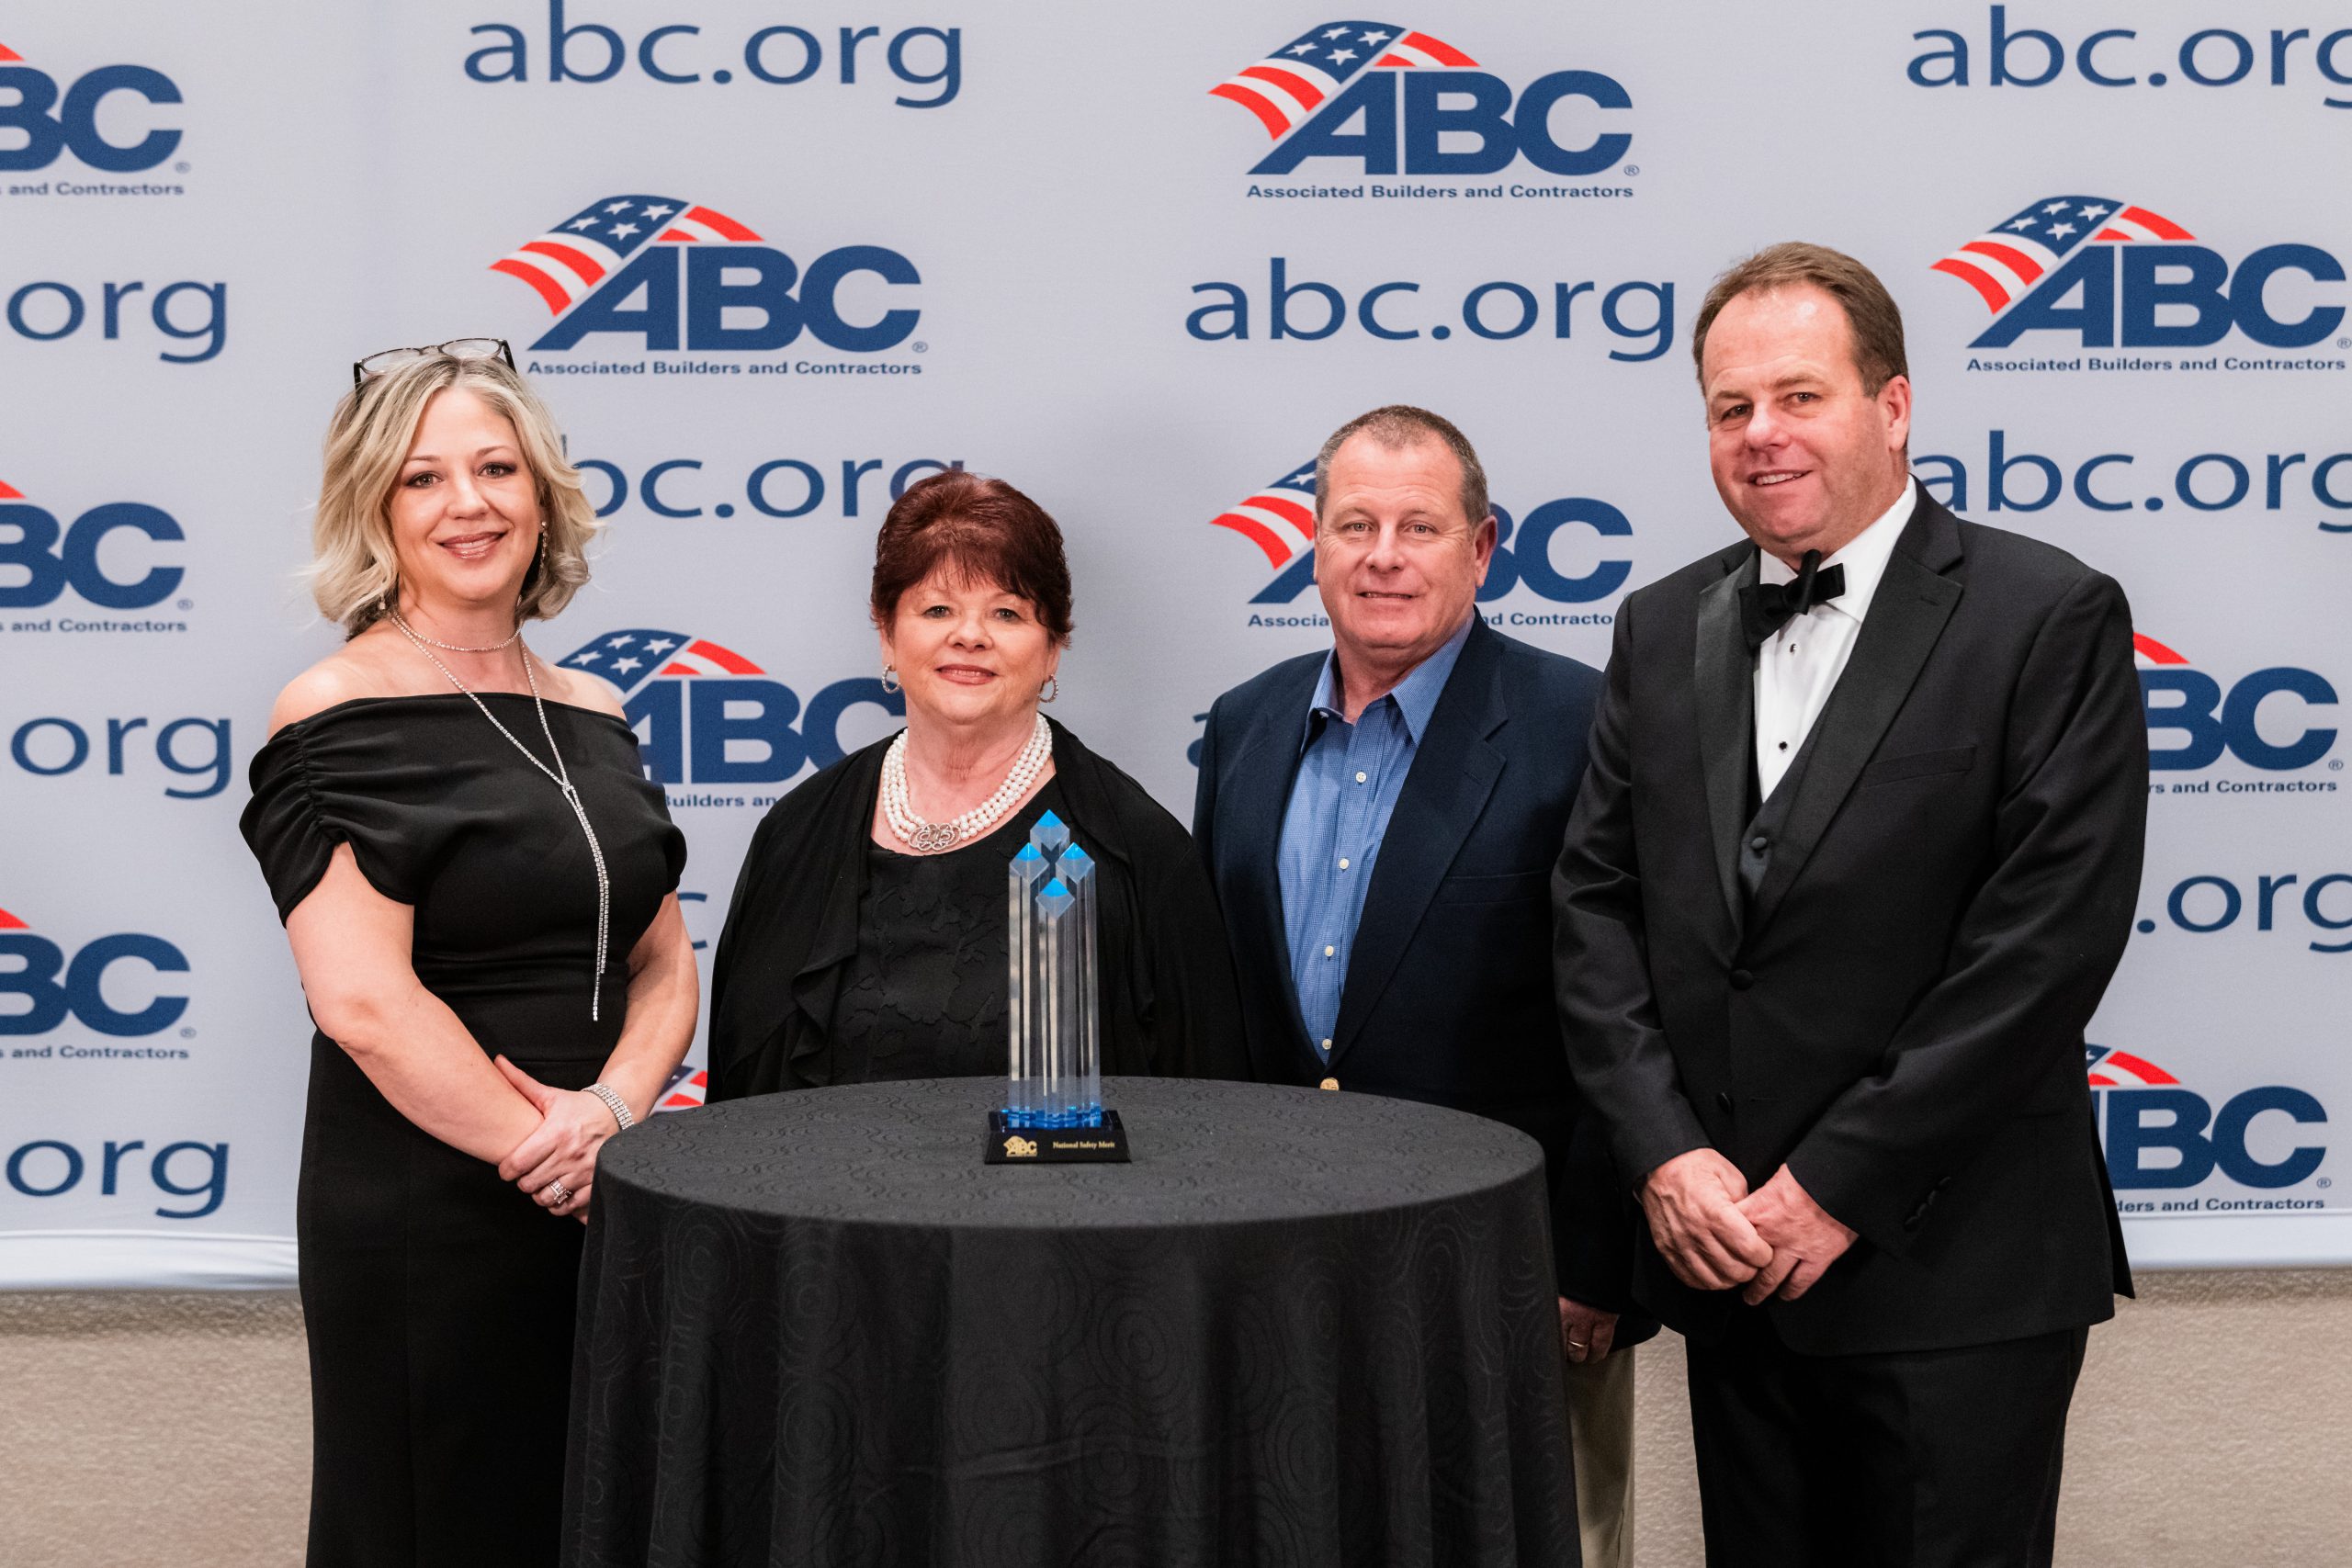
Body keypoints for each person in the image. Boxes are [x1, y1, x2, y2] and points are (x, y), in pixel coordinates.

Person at [1553, 243, 2145, 1566]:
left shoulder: (2046, 614)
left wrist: (1830, 1186)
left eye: (1799, 395)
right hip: (1730, 1263)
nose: (1762, 435)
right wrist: (1666, 1154)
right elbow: (1594, 910)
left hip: (1951, 1269)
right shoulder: (1660, 625)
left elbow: (2043, 946)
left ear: (1894, 405)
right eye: (1730, 407)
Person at [239, 341, 695, 1568]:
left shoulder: (594, 710)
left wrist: (612, 1110)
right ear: (376, 508)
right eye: (425, 477)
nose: (469, 502)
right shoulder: (335, 710)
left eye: (496, 467)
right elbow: (364, 1000)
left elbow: (662, 963)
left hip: (602, 1194)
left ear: (542, 492)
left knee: (586, 1517)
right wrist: (555, 1156)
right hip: (429, 1207)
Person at [1192, 405, 1653, 1568]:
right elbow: (1225, 1013)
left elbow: (1637, 1005)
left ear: (1483, 546)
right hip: (1280, 1264)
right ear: (1313, 540)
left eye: (1417, 525)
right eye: (1354, 523)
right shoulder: (1246, 725)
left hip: (1514, 1271)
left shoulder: (1581, 722)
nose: (1382, 554)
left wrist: (1593, 1259)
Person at [707, 469, 1247, 1100]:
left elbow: (1212, 1119)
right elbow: (735, 1114)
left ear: (1052, 650)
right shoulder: (796, 834)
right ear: (886, 634)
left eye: (1007, 612)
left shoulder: (1137, 850)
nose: (969, 635)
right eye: (937, 609)